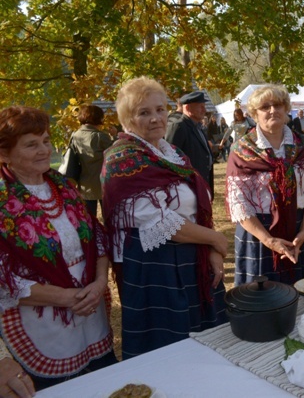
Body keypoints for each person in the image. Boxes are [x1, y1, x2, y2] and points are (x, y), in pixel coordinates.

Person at [101, 77, 229, 359]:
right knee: (168, 350)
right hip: (154, 265)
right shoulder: (123, 160)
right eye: (143, 112)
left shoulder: (172, 153)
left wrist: (210, 249)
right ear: (127, 119)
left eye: (160, 110)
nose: (155, 118)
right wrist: (216, 239)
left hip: (191, 257)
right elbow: (162, 223)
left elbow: (195, 209)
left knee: (204, 345)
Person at [0, 106, 116, 389]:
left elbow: (96, 239)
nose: (43, 150)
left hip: (91, 313)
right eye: (31, 144)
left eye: (46, 141)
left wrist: (100, 282)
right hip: (42, 326)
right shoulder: (3, 203)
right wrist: (67, 298)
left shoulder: (63, 186)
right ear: (4, 155)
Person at [225, 84, 304, 285]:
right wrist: (268, 240)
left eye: (278, 105)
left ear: (286, 109)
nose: (273, 110)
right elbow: (239, 203)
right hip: (259, 233)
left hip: (299, 228)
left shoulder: (302, 146)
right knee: (261, 304)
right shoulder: (242, 151)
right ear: (254, 113)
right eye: (265, 107)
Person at [165, 91, 213, 193]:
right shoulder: (178, 126)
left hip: (201, 185)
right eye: (200, 106)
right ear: (187, 108)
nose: (204, 110)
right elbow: (170, 160)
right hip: (188, 188)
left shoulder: (198, 127)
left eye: (204, 106)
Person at [71, 105, 114, 216]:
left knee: (90, 220)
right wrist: (114, 137)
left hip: (85, 184)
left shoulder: (75, 136)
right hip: (103, 183)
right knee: (109, 218)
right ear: (98, 118)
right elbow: (115, 154)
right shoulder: (100, 137)